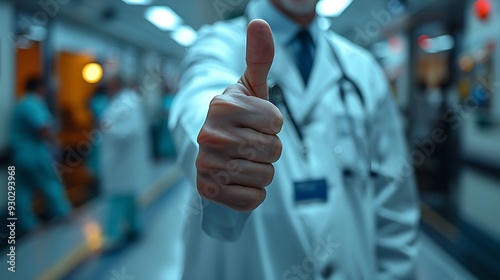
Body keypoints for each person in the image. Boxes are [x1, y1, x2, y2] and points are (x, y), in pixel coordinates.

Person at [169, 0, 420, 279]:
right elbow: (199, 98)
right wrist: (221, 137)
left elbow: (394, 205)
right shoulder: (215, 46)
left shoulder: (363, 71)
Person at [10, 77, 71, 232]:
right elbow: (42, 128)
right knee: (50, 183)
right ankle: (63, 214)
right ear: (39, 88)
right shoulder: (33, 104)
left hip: (21, 154)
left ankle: (28, 224)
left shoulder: (22, 103)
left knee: (24, 190)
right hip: (34, 155)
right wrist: (55, 143)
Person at [99, 75, 150, 250]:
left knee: (117, 197)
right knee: (128, 196)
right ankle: (133, 228)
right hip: (123, 162)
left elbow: (131, 130)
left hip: (122, 162)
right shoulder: (123, 100)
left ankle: (113, 236)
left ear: (115, 83)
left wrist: (109, 128)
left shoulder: (127, 102)